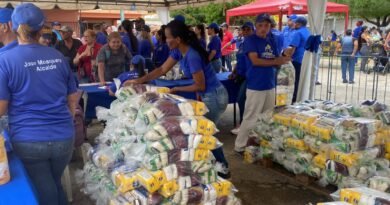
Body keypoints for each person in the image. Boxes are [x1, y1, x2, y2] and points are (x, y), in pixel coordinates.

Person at [124, 20, 230, 179]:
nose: (165, 41)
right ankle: (209, 168)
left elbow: (200, 86)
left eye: (168, 38)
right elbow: (161, 69)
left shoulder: (192, 55)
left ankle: (223, 169)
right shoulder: (178, 51)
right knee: (200, 134)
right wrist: (139, 81)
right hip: (208, 95)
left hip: (214, 96)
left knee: (205, 134)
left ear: (178, 39)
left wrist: (177, 89)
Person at [0, 3, 78, 205]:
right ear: (41, 27)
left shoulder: (5, 60)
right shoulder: (58, 57)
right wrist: (67, 118)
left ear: (14, 26)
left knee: (45, 190)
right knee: (53, 183)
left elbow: (1, 107)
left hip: (29, 139)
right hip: (64, 136)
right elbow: (73, 95)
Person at [234, 13, 291, 153]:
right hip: (256, 84)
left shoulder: (272, 39)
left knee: (268, 117)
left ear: (270, 26)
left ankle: (261, 143)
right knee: (251, 116)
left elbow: (276, 59)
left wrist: (283, 58)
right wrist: (276, 62)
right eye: (260, 25)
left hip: (270, 84)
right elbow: (255, 61)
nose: (263, 28)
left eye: (266, 25)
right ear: (255, 26)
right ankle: (240, 146)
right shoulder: (250, 40)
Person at [228, 21, 254, 135]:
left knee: (241, 98)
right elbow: (239, 61)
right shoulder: (243, 43)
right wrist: (233, 72)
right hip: (241, 75)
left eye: (248, 29)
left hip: (251, 77)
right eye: (244, 29)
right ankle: (245, 123)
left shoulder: (255, 44)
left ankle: (244, 124)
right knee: (242, 99)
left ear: (253, 30)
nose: (245, 32)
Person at [288, 16, 311, 103]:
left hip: (297, 60)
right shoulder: (308, 32)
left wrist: (287, 57)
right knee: (302, 79)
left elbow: (293, 47)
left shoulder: (297, 33)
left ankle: (294, 98)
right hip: (305, 60)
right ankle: (301, 96)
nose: (294, 24)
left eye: (295, 23)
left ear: (298, 24)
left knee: (295, 80)